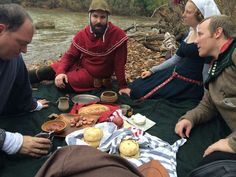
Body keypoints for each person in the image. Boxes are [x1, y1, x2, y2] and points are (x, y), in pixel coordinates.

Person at [29, 0, 130, 96]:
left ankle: (52, 82)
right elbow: (70, 56)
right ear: (89, 16)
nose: (98, 21)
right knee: (46, 71)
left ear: (107, 18)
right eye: (95, 16)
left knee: (62, 85)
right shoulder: (82, 34)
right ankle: (19, 78)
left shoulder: (118, 35)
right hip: (79, 65)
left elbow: (119, 63)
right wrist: (60, 73)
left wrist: (123, 86)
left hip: (93, 76)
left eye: (102, 17)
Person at [127, 0, 220, 101]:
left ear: (200, 15)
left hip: (188, 84)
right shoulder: (188, 34)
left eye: (188, 12)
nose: (183, 15)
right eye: (184, 11)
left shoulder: (207, 41)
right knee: (136, 86)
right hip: (174, 73)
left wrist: (206, 99)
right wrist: (152, 70)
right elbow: (175, 59)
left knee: (141, 93)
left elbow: (206, 72)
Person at [175, 15, 236, 166]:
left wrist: (232, 144)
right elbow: (209, 104)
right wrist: (190, 118)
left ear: (218, 33)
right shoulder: (218, 62)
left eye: (200, 34)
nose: (196, 40)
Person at [0, 4, 51, 157]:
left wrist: (32, 105)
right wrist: (11, 142)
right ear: (1, 30)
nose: (25, 50)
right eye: (21, 43)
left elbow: (21, 88)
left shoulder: (14, 56)